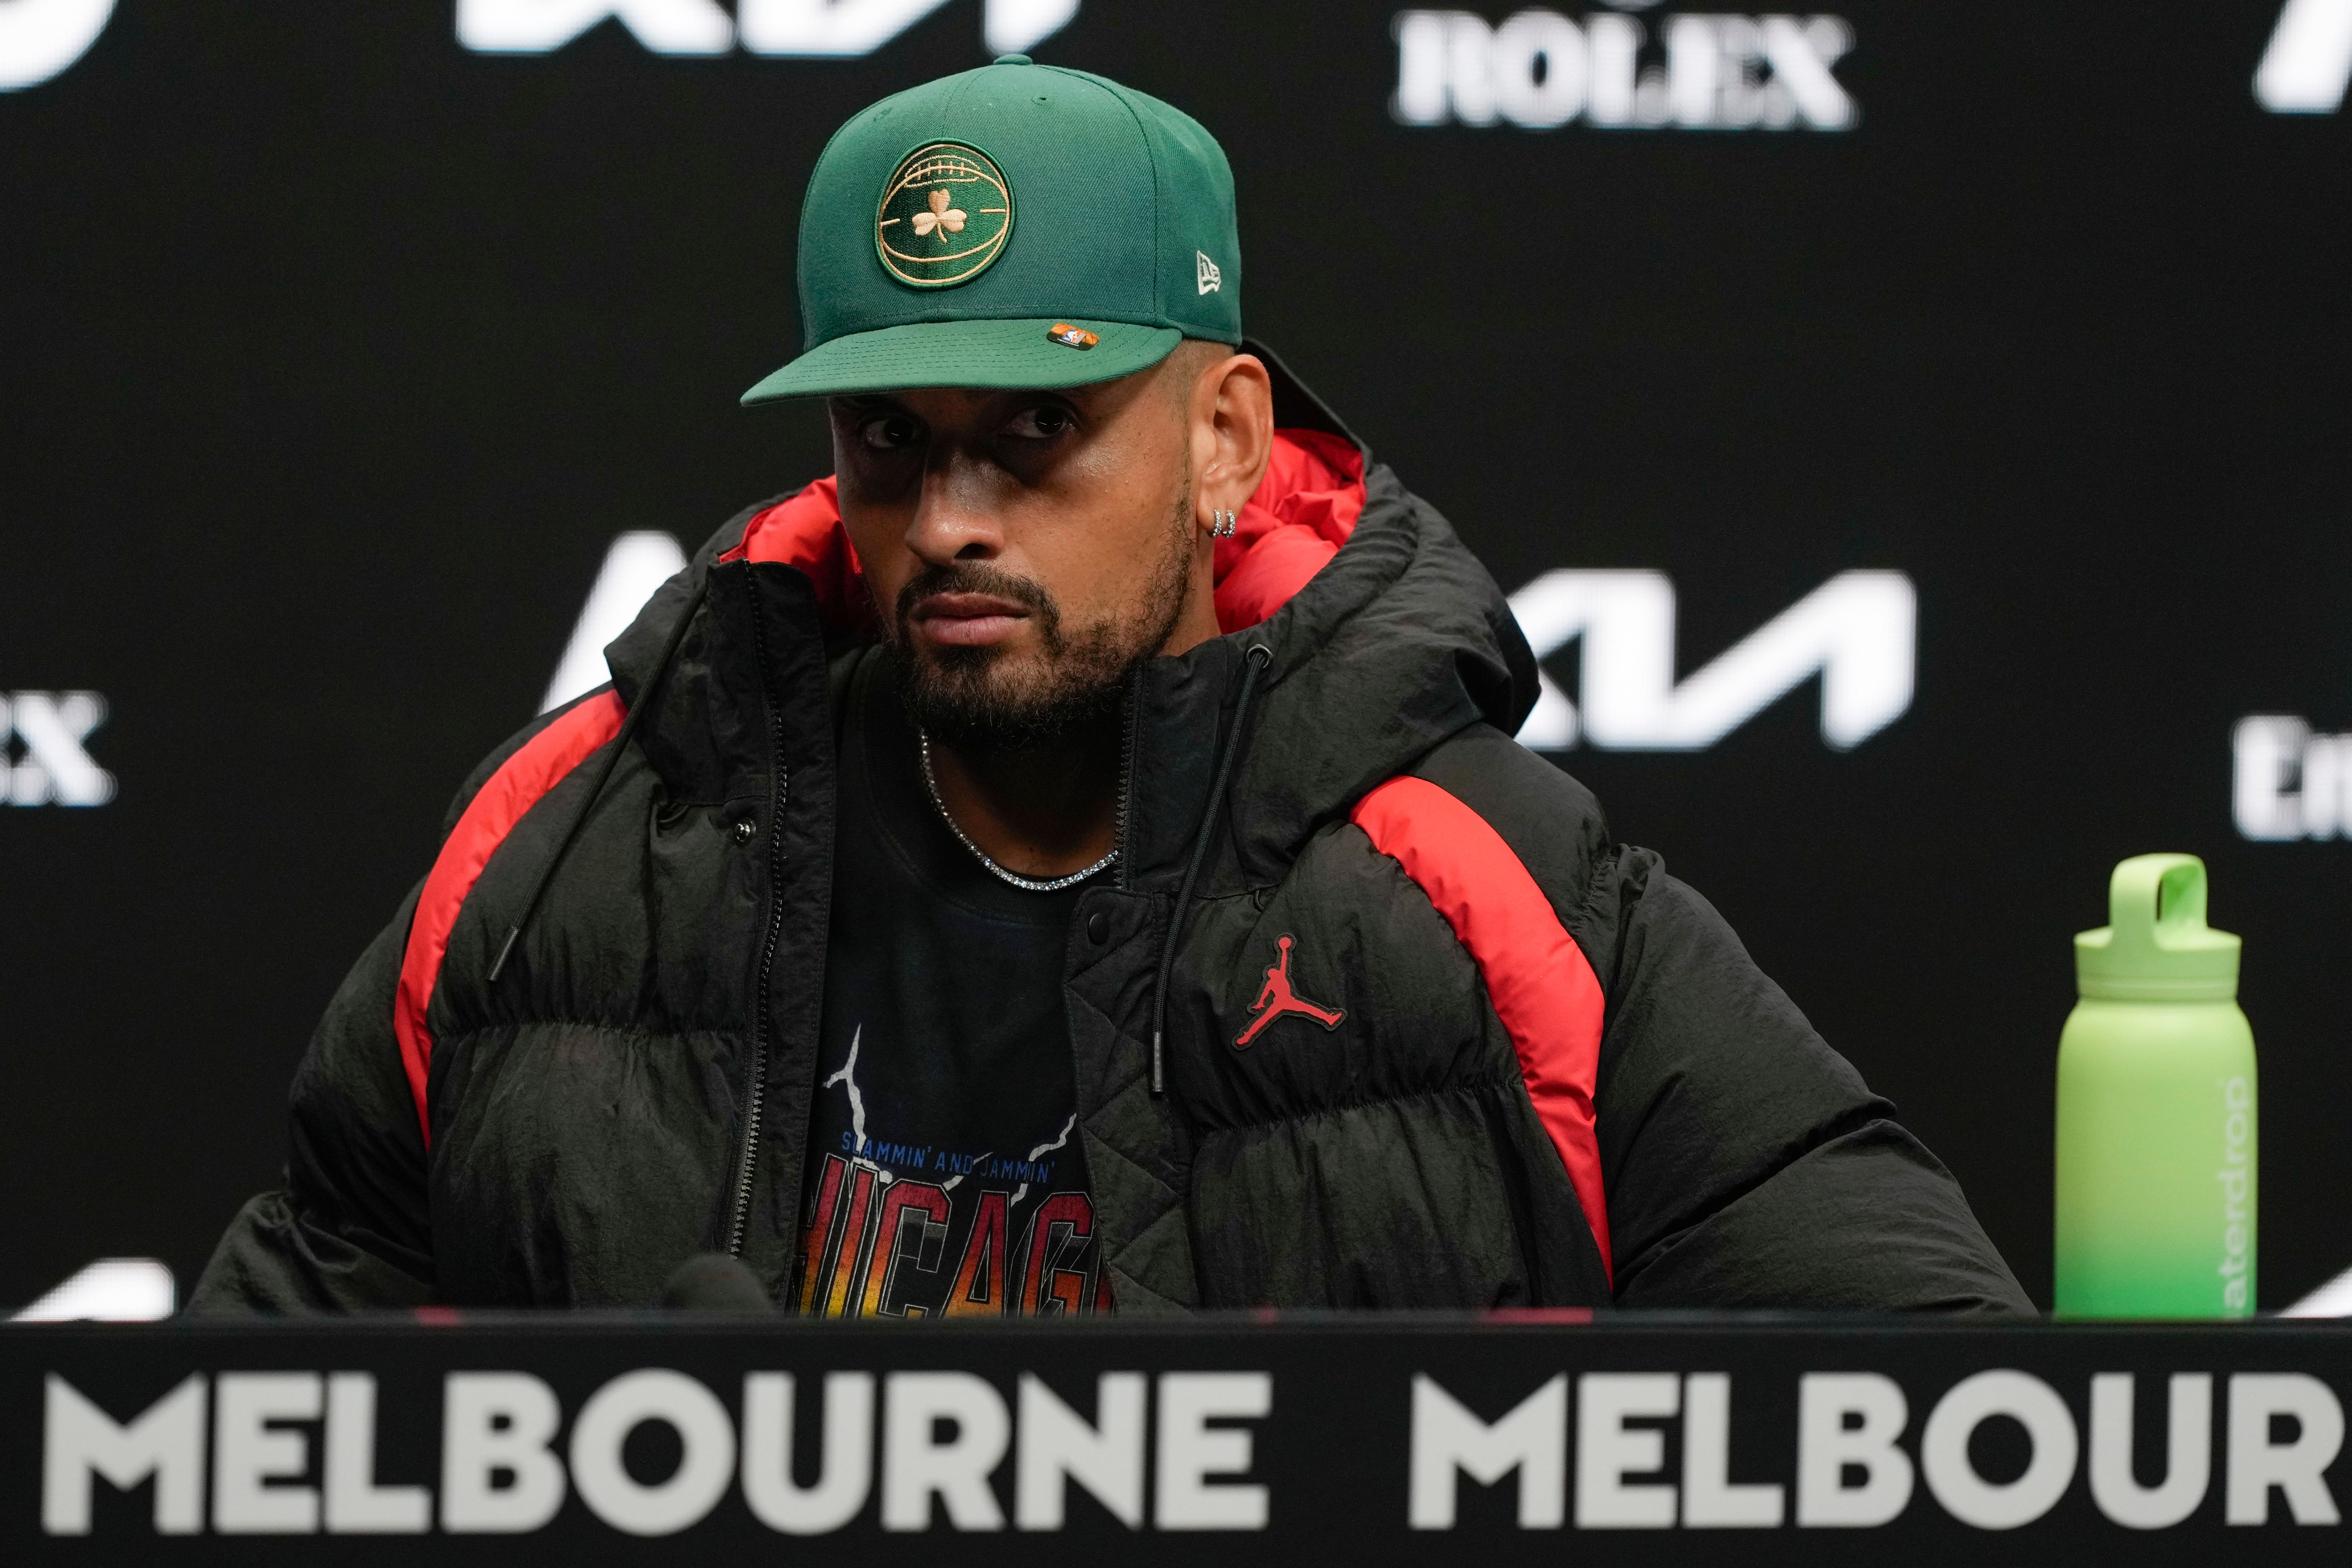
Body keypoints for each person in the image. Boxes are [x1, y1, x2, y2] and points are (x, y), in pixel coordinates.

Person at [193, 57, 2028, 1316]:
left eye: (1039, 435)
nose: (953, 519)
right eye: (894, 441)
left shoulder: (1472, 888)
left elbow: (1927, 1400)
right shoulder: (573, 842)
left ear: (1226, 436)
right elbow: (259, 1400)